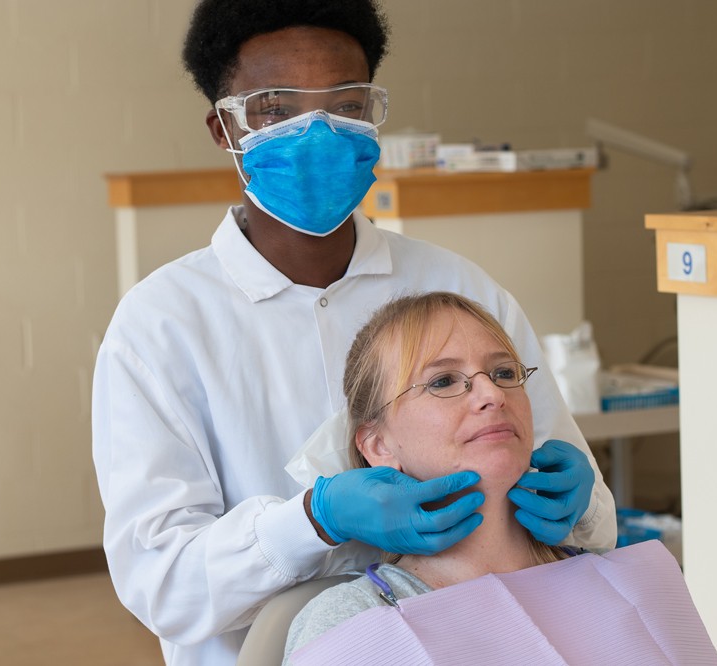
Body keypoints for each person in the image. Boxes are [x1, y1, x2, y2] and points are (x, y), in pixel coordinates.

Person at [91, 2, 616, 665]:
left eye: (345, 106)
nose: (318, 133)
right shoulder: (160, 327)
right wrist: (314, 521)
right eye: (276, 110)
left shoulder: (460, 289)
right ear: (223, 129)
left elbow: (585, 507)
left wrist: (578, 508)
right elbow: (161, 582)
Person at [282, 292, 578, 661]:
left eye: (504, 373)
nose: (492, 394)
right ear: (378, 446)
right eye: (442, 381)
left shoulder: (609, 580)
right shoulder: (355, 622)